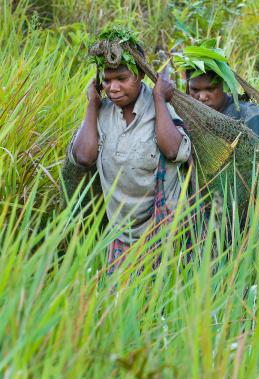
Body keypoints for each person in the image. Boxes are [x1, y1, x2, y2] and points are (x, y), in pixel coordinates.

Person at [67, 28, 191, 269]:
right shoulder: (101, 113)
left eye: (121, 79)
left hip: (166, 235)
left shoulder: (161, 109)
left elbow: (174, 151)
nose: (113, 88)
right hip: (120, 239)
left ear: (140, 75)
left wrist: (159, 100)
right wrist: (91, 106)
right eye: (107, 80)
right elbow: (83, 157)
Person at [179, 44, 259, 247]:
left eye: (210, 89)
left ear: (225, 85)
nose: (202, 97)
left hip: (253, 201)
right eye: (195, 90)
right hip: (207, 204)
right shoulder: (186, 117)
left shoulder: (249, 115)